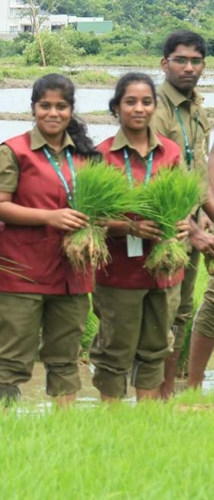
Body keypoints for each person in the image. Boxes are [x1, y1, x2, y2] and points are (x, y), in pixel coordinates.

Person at [0, 74, 100, 407]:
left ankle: (62, 433)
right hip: (23, 272)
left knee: (65, 356)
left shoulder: (84, 155)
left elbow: (99, 207)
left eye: (61, 107)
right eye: (45, 106)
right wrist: (50, 217)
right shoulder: (14, 151)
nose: (53, 113)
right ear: (33, 108)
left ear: (71, 110)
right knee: (12, 355)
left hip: (71, 275)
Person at [92, 73, 185, 402]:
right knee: (114, 351)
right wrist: (129, 227)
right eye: (130, 101)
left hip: (163, 272)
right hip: (118, 273)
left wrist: (182, 223)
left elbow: (183, 201)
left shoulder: (171, 152)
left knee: (155, 349)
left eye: (146, 102)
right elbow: (90, 218)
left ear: (154, 106)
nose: (139, 108)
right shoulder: (102, 156)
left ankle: (145, 421)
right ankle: (112, 422)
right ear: (116, 107)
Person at [151, 30, 214, 397]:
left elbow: (200, 172)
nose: (189, 68)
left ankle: (168, 397)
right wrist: (193, 232)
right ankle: (153, 398)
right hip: (164, 230)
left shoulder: (197, 107)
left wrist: (205, 217)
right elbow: (153, 180)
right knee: (162, 316)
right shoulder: (155, 109)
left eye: (196, 61)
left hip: (192, 224)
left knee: (181, 313)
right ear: (165, 63)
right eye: (181, 60)